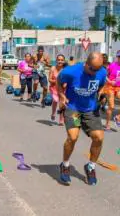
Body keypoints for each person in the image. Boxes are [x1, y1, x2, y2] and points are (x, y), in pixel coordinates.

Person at [57, 52, 106, 186]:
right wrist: (62, 96)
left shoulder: (101, 72)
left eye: (97, 69)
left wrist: (101, 94)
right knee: (73, 137)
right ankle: (65, 165)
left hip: (90, 109)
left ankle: (90, 167)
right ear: (86, 64)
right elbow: (59, 81)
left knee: (99, 137)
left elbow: (102, 85)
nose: (95, 72)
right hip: (73, 108)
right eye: (92, 69)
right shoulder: (71, 71)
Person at [104, 50, 120, 131]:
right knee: (112, 106)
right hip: (110, 87)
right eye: (119, 57)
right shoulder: (112, 65)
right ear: (117, 57)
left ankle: (118, 117)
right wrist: (110, 81)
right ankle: (107, 124)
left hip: (118, 87)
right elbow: (104, 75)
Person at [49, 54, 65, 125]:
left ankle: (61, 119)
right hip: (54, 88)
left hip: (63, 89)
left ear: (64, 61)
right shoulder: (52, 68)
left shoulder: (65, 70)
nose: (60, 61)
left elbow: (68, 80)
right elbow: (49, 79)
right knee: (55, 100)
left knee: (62, 103)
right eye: (58, 60)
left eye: (61, 60)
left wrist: (66, 84)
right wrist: (56, 81)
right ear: (56, 60)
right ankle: (53, 113)